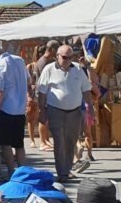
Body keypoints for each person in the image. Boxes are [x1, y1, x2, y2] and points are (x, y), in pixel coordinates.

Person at [36, 45, 90, 181]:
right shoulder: (49, 69)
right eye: (65, 57)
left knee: (71, 141)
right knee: (59, 141)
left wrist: (91, 109)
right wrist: (42, 111)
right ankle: (62, 172)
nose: (67, 60)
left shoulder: (78, 69)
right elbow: (42, 92)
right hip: (55, 110)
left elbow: (86, 90)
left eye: (70, 57)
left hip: (75, 111)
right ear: (57, 56)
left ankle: (67, 169)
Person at [0, 40, 30, 177]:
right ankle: (23, 172)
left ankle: (12, 172)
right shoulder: (19, 60)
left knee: (5, 143)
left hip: (6, 109)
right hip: (20, 109)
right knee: (19, 144)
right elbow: (29, 81)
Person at [28, 41, 60, 149]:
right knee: (42, 117)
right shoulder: (42, 63)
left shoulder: (50, 61)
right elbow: (43, 80)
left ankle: (46, 140)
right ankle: (42, 142)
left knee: (46, 118)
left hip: (48, 93)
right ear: (52, 50)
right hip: (42, 93)